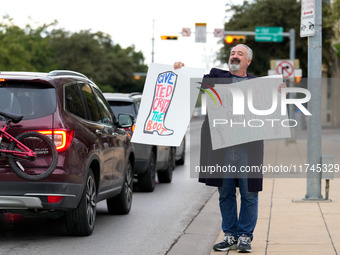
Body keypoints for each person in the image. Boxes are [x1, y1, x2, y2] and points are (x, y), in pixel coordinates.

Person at [174, 44, 285, 253]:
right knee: (225, 193)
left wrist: (280, 92)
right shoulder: (216, 77)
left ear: (248, 62)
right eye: (232, 53)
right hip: (220, 148)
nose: (235, 56)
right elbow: (191, 82)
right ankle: (230, 235)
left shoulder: (257, 84)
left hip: (247, 148)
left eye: (240, 54)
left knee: (249, 192)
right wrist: (180, 70)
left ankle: (244, 236)